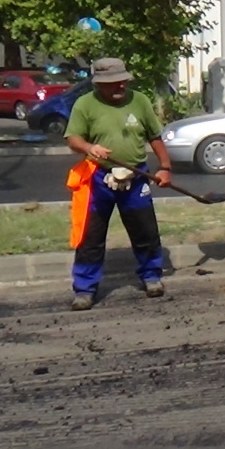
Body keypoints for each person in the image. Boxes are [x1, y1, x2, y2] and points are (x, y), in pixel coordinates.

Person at [63, 58, 171, 311]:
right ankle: (85, 288)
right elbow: (73, 138)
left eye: (122, 81)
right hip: (99, 178)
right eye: (112, 83)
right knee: (91, 236)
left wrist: (165, 167)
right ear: (99, 84)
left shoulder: (140, 100)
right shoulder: (85, 104)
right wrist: (90, 147)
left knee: (145, 230)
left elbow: (154, 136)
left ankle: (151, 276)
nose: (119, 86)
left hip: (137, 177)